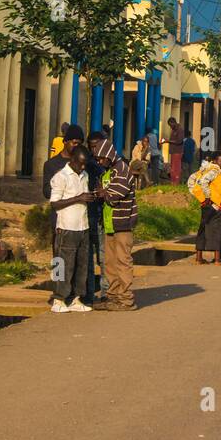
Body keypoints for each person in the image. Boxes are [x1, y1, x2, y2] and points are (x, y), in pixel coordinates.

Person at [87, 132, 139, 310]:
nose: (100, 162)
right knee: (109, 263)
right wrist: (100, 192)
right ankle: (113, 296)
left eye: (101, 159)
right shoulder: (109, 171)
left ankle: (126, 300)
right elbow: (102, 191)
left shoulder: (122, 169)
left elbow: (115, 195)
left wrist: (103, 193)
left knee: (122, 262)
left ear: (108, 156)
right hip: (109, 224)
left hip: (122, 224)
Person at [48, 145, 95, 313]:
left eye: (85, 164)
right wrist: (78, 198)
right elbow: (54, 203)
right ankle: (58, 299)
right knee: (61, 264)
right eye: (80, 163)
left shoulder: (85, 175)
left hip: (82, 226)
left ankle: (76, 298)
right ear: (72, 160)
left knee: (81, 265)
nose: (83, 167)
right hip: (66, 227)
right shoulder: (60, 176)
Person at [189, 151, 221, 265]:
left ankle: (199, 258)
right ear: (215, 161)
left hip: (205, 204)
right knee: (216, 231)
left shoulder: (204, 169)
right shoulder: (215, 171)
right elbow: (204, 181)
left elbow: (191, 180)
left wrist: (201, 198)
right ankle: (217, 259)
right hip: (215, 205)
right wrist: (208, 197)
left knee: (203, 229)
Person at [42, 124, 85, 199]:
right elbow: (47, 193)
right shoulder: (51, 164)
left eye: (79, 144)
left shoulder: (82, 163)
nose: (76, 146)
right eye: (74, 143)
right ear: (65, 141)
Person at [166, 117, 185, 183]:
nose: (170, 127)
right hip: (173, 152)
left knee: (176, 168)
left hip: (177, 152)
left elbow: (179, 141)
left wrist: (168, 141)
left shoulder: (180, 129)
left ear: (173, 122)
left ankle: (176, 182)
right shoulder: (173, 130)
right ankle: (173, 182)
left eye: (170, 125)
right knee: (173, 168)